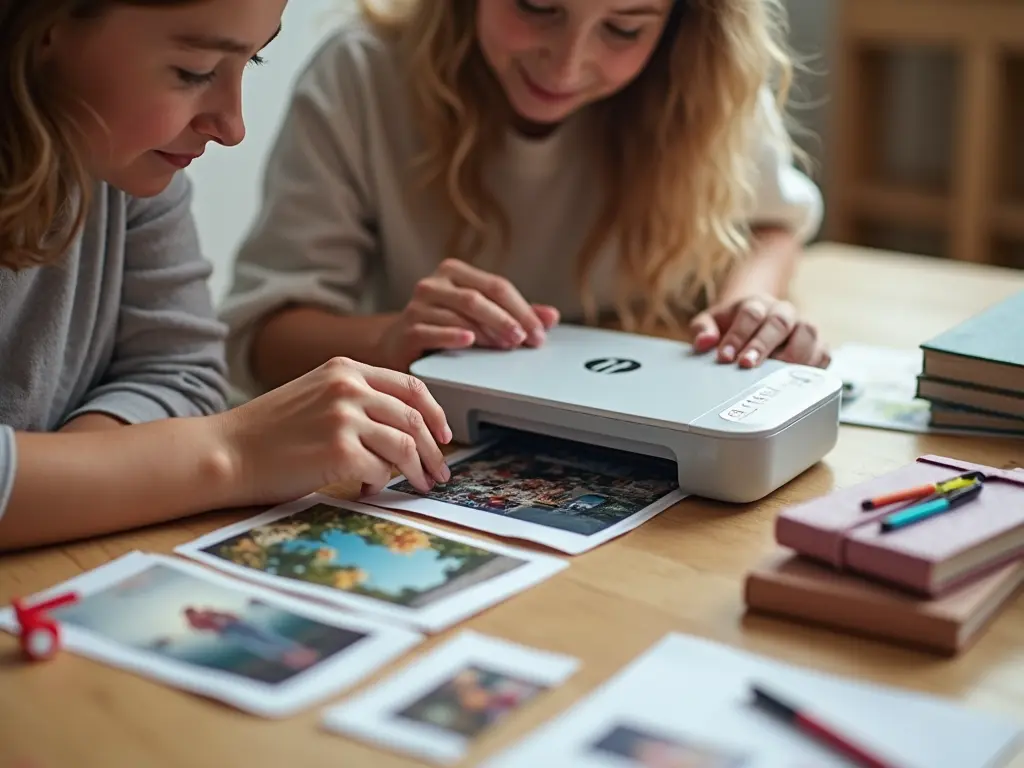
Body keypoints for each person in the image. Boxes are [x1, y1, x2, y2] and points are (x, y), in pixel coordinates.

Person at [0, 0, 452, 554]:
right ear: (43, 27)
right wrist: (230, 453)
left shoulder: (125, 166)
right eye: (194, 72)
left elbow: (180, 371)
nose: (232, 127)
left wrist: (59, 493)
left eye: (253, 62)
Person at [220, 0, 830, 399]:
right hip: (445, 428)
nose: (566, 65)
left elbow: (773, 225)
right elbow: (263, 338)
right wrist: (390, 340)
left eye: (623, 29)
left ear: (678, 25)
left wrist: (748, 304)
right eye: (538, 6)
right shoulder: (362, 76)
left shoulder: (700, 79)